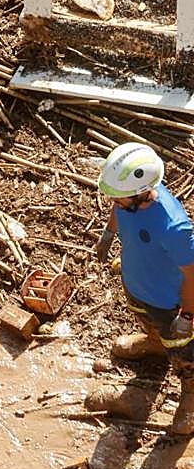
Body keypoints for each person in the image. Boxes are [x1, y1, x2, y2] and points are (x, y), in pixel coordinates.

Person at [90, 142, 194, 433]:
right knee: (143, 317)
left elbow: (193, 275)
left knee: (184, 350)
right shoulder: (126, 201)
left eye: (116, 196)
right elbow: (117, 211)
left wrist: (186, 316)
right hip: (136, 283)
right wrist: (109, 234)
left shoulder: (174, 228)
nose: (112, 200)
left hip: (167, 302)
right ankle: (154, 344)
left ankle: (190, 396)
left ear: (140, 194)